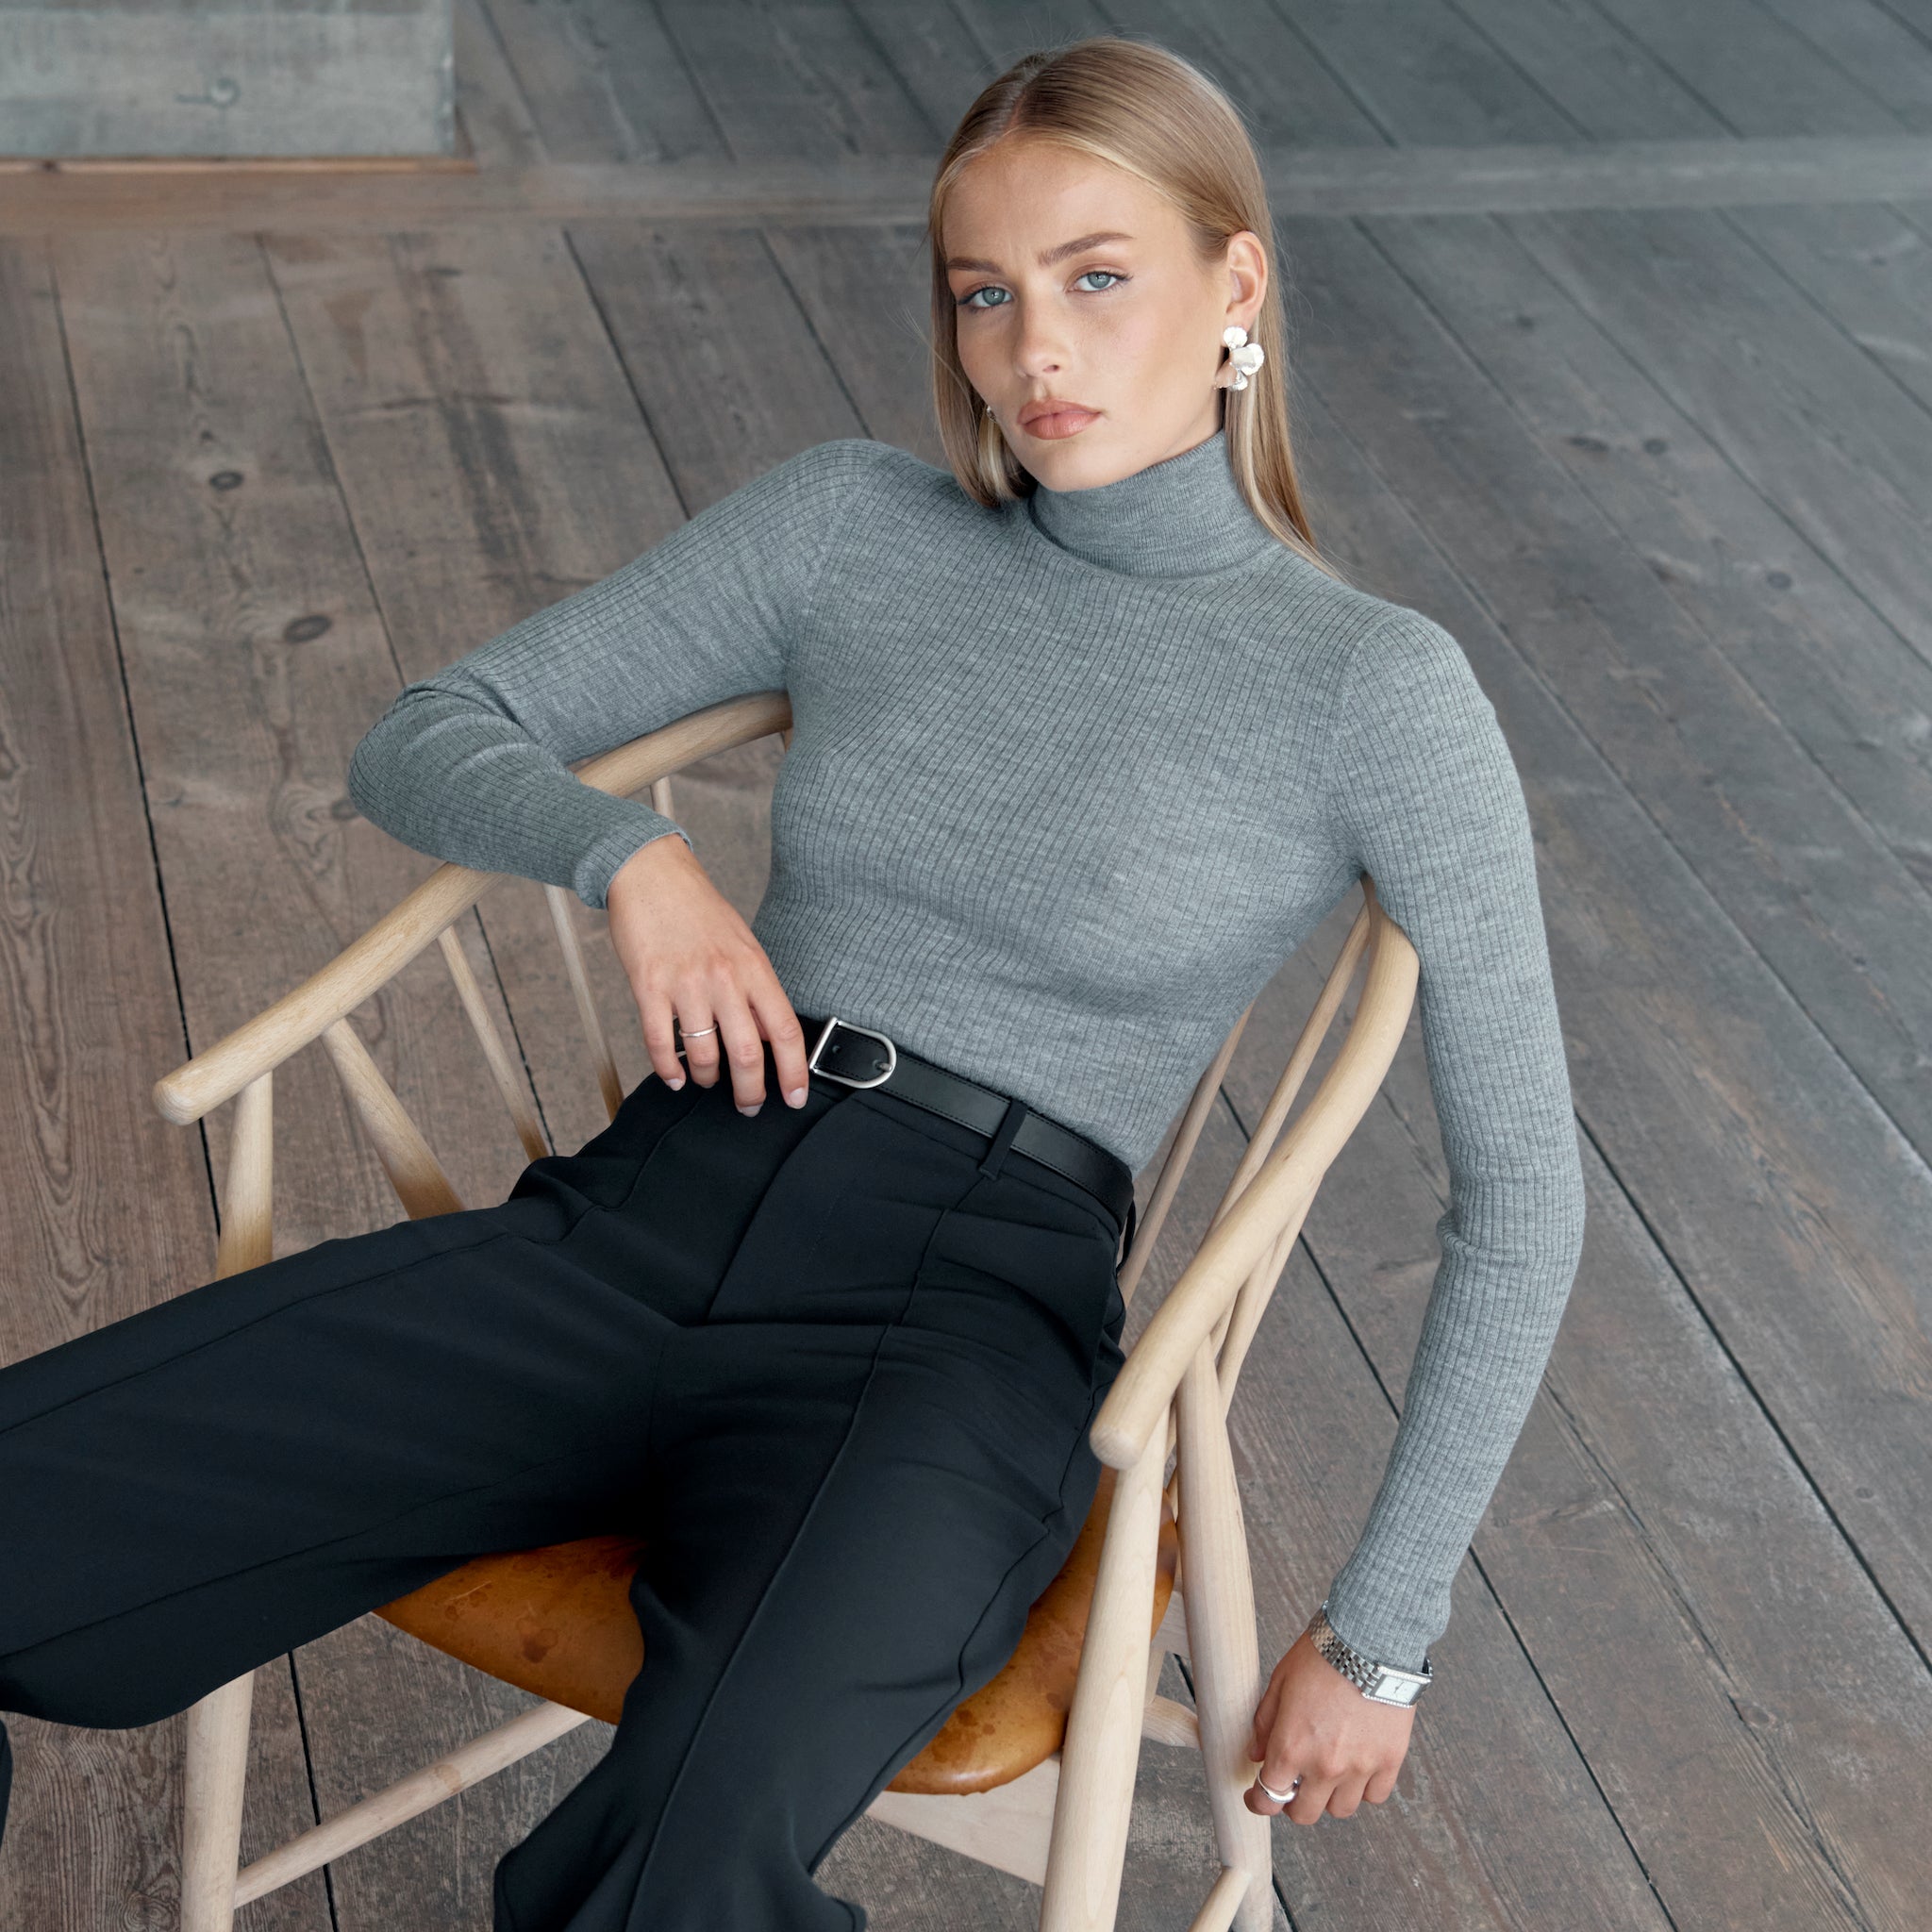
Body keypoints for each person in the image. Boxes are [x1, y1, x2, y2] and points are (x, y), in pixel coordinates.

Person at [0, 34, 1586, 1931]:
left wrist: (1385, 1635)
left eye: (1096, 278)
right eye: (983, 295)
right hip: (634, 1223)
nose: (1033, 353)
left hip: (954, 1331)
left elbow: (1524, 1189)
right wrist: (637, 861)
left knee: (679, 1871)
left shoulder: (1371, 688)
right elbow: (430, 729)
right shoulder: (850, 526)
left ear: (1233, 283)